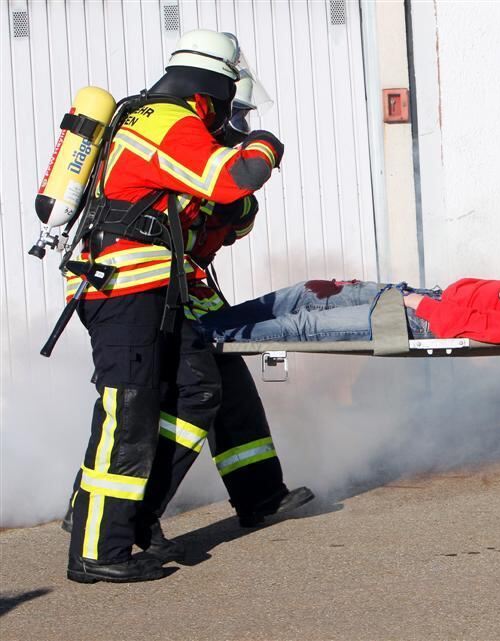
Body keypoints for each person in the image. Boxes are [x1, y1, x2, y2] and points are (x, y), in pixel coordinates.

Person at [61, 74, 314, 561]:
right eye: (232, 115)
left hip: (178, 285)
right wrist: (247, 170)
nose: (235, 126)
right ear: (206, 101)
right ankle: (105, 514)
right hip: (137, 288)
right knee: (155, 403)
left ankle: (260, 495)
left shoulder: (189, 141)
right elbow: (223, 187)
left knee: (223, 383)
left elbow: (218, 227)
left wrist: (229, 211)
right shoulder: (169, 129)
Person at [194, 276, 500, 344]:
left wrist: (418, 302)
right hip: (421, 296)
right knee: (307, 291)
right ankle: (208, 325)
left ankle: (207, 338)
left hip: (416, 314)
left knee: (305, 325)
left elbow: (479, 326)